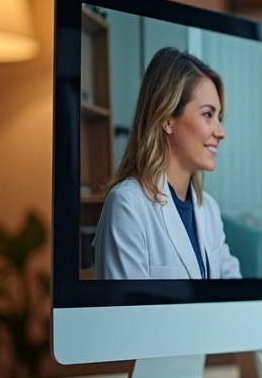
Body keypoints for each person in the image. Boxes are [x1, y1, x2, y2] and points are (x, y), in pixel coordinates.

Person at [94, 47, 241, 280]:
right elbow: (129, 314)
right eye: (207, 115)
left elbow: (235, 297)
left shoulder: (209, 209)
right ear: (167, 119)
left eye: (219, 117)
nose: (220, 132)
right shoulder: (127, 205)